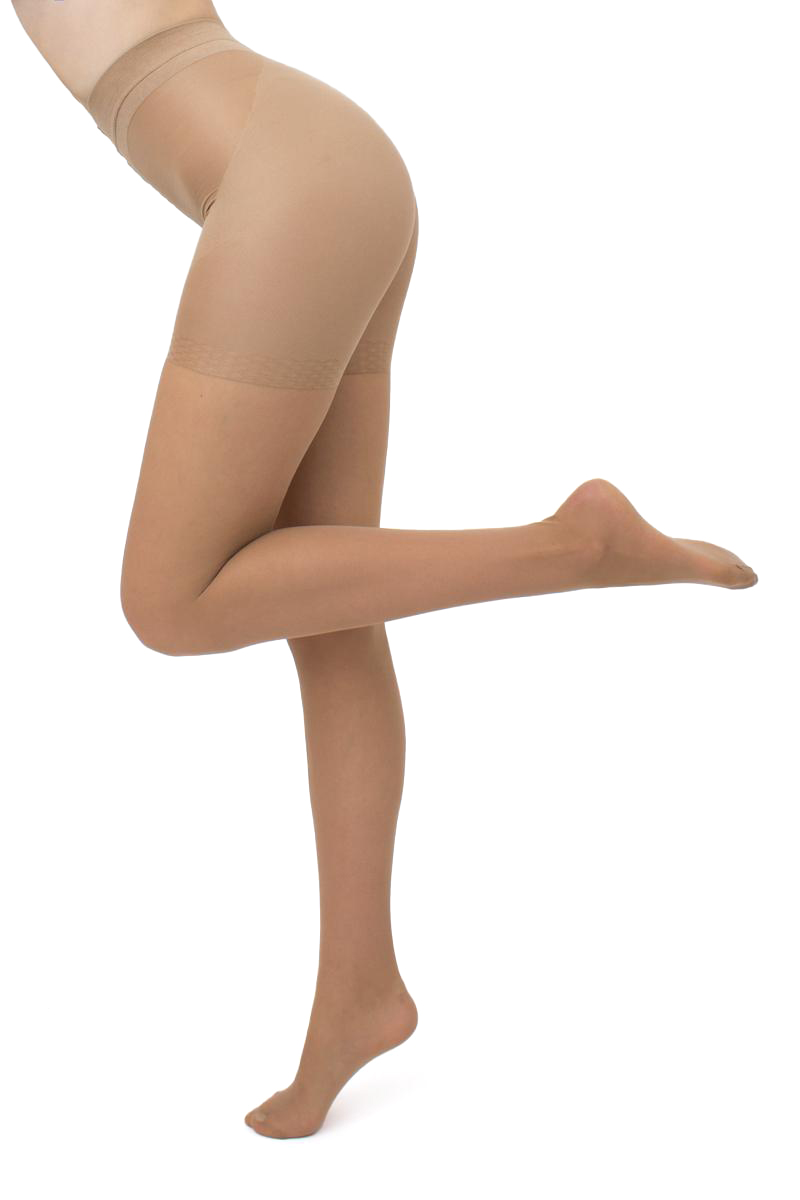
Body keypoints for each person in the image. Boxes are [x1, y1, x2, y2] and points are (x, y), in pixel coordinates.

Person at [11, 0, 757, 1140]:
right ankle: (357, 991)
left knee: (170, 602)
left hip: (286, 185)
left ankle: (572, 547)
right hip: (322, 165)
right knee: (333, 616)